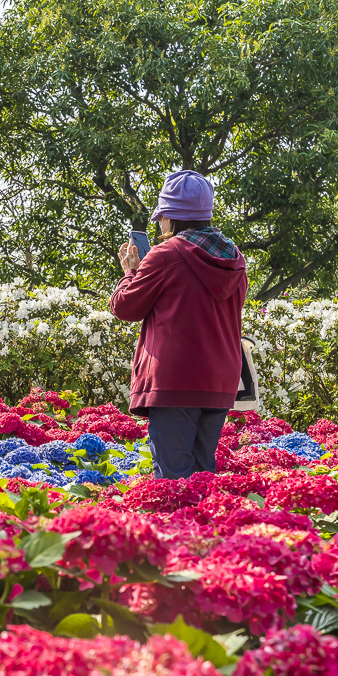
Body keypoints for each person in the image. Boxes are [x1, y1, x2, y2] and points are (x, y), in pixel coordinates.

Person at [110, 169, 248, 479]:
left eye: (162, 217)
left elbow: (125, 306)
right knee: (203, 480)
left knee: (173, 484)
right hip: (219, 381)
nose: (160, 224)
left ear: (171, 218)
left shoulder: (165, 255)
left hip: (174, 382)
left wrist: (130, 272)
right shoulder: (235, 259)